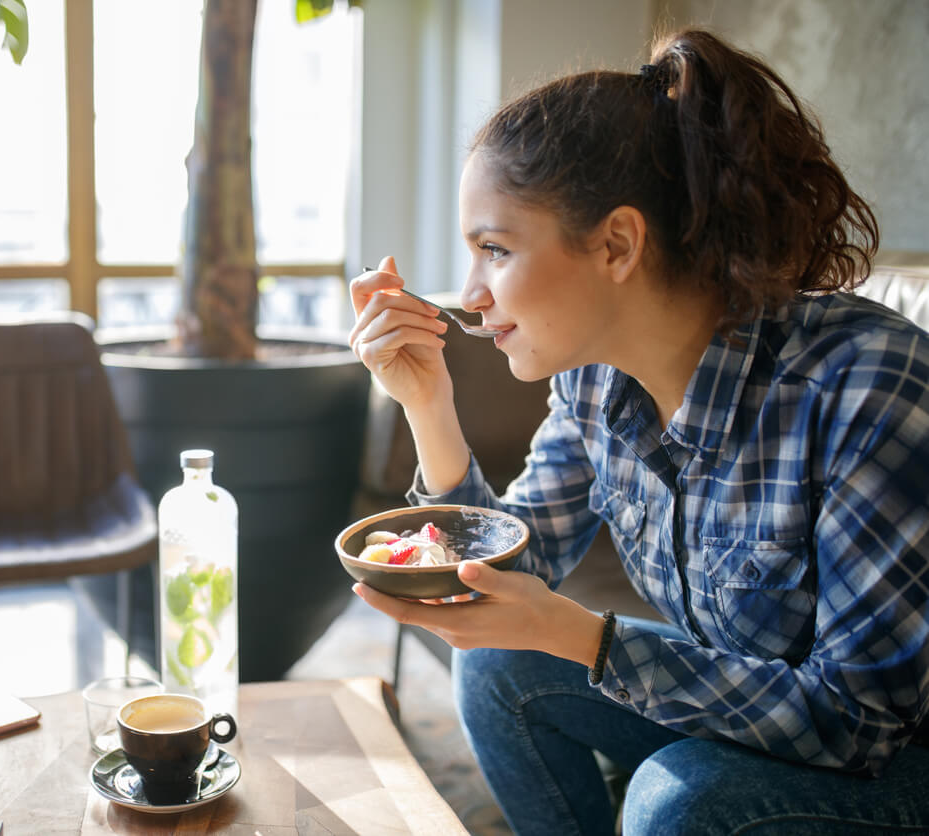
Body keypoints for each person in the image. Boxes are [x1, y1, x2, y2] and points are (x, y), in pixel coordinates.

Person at [347, 27, 929, 836]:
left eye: (495, 249)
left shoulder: (865, 385)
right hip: (755, 715)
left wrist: (588, 640)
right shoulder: (593, 381)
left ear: (617, 243)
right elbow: (513, 565)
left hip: (893, 765)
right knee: (497, 666)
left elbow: (861, 722)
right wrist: (426, 403)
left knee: (676, 797)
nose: (472, 293)